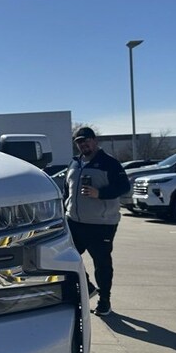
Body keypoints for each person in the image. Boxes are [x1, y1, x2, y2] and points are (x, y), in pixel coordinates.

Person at [64, 127, 130, 316]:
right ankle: (88, 287)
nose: (83, 144)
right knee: (66, 260)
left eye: (86, 140)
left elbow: (124, 186)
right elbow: (66, 191)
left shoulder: (109, 163)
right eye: (79, 142)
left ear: (95, 141)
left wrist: (100, 193)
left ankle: (104, 300)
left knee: (101, 263)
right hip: (74, 222)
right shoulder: (74, 163)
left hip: (101, 225)